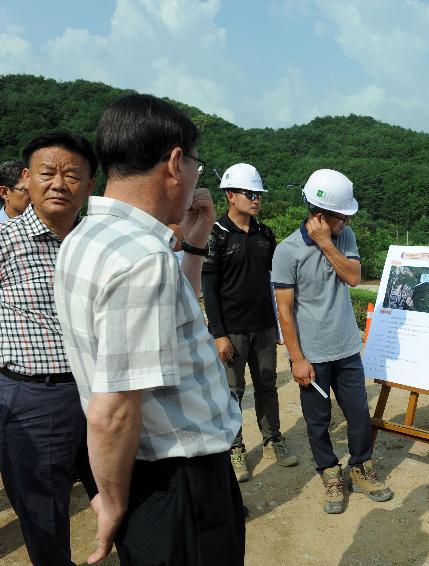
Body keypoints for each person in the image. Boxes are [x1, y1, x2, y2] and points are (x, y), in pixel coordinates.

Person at [54, 93, 244, 565]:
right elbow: (113, 410)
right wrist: (112, 504)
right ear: (176, 162)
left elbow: (164, 319)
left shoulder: (85, 236)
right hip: (178, 481)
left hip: (147, 472)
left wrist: (195, 245)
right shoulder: (144, 258)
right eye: (197, 164)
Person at [0, 132, 97, 566]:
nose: (59, 183)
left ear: (89, 186)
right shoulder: (6, 243)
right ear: (27, 179)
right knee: (44, 514)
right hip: (35, 397)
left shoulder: (97, 244)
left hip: (101, 393)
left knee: (122, 492)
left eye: (72, 174)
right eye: (47, 173)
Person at [272, 168, 392, 514]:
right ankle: (329, 471)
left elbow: (354, 277)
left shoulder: (344, 237)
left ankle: (361, 466)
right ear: (322, 214)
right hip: (313, 355)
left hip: (347, 348)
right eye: (343, 215)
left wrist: (326, 243)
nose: (348, 220)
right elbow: (284, 309)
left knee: (357, 413)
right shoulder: (287, 251)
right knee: (318, 419)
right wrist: (297, 358)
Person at [202, 162, 297, 482]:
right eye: (249, 193)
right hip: (233, 330)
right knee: (233, 391)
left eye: (259, 194)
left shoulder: (264, 234)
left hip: (264, 327)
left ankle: (273, 439)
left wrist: (281, 326)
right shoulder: (216, 234)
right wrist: (219, 334)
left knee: (268, 385)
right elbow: (209, 288)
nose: (256, 199)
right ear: (230, 195)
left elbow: (275, 282)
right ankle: (235, 447)